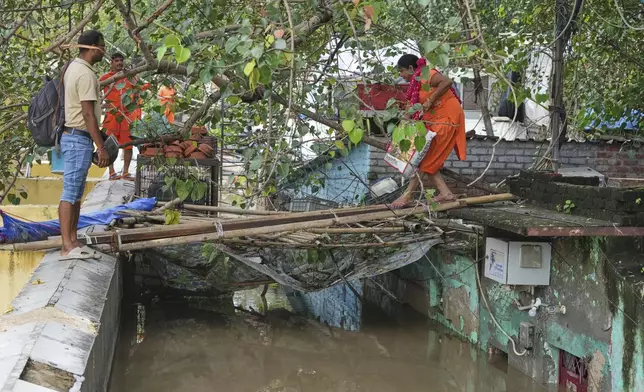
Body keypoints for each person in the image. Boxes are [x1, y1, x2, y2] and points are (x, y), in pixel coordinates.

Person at [390, 54, 466, 208]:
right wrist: (401, 125)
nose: (401, 75)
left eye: (402, 70)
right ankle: (446, 194)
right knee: (427, 159)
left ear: (411, 68)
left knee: (424, 158)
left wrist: (430, 100)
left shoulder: (427, 74)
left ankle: (407, 195)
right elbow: (412, 109)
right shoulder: (415, 84)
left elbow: (447, 81)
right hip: (435, 120)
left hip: (447, 118)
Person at [59, 30, 109, 260]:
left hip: (77, 137)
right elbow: (88, 113)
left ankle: (73, 240)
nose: (104, 50)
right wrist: (101, 146)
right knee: (70, 192)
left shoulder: (75, 67)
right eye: (102, 46)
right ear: (91, 48)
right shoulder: (85, 74)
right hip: (78, 137)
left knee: (77, 192)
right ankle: (67, 245)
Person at [100, 52, 151, 181]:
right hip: (111, 116)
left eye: (121, 60)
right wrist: (102, 105)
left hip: (128, 117)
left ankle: (126, 172)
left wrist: (135, 79)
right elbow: (94, 91)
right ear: (111, 62)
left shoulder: (130, 77)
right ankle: (112, 172)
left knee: (128, 145)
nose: (119, 63)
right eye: (116, 60)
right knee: (108, 144)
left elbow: (141, 90)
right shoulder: (105, 78)